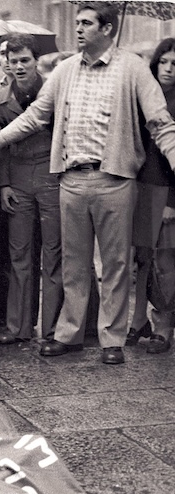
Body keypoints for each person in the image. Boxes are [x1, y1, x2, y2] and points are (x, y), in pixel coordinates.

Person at [0, 3, 175, 365]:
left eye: (86, 23)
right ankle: (68, 334)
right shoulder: (66, 70)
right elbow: (36, 116)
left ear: (108, 29)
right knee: (72, 262)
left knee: (115, 264)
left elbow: (160, 122)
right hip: (70, 180)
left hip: (114, 179)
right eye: (77, 23)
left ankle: (111, 340)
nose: (79, 29)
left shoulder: (132, 68)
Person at [0, 33, 62, 345]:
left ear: (37, 61)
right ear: (6, 62)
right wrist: (4, 183)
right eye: (13, 60)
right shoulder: (0, 98)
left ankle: (53, 329)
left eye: (25, 60)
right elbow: (2, 147)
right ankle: (18, 328)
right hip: (19, 176)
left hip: (51, 174)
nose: (19, 66)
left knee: (53, 252)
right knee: (19, 252)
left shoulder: (55, 91)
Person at [131, 38, 175, 353]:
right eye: (164, 62)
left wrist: (173, 201)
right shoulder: (144, 95)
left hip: (167, 190)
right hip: (141, 187)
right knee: (142, 258)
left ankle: (163, 326)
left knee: (166, 260)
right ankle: (138, 320)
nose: (169, 69)